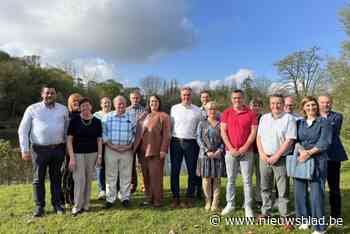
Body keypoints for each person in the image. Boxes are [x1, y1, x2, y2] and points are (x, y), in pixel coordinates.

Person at [18, 86, 69, 217]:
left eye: (52, 93)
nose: (49, 95)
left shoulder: (63, 109)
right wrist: (24, 150)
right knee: (38, 179)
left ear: (56, 95)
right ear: (42, 94)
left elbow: (67, 130)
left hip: (58, 149)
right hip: (39, 150)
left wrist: (67, 148)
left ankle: (57, 204)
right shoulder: (32, 109)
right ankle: (39, 206)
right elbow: (23, 130)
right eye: (47, 93)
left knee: (56, 178)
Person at [256, 94, 296, 228]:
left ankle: (285, 216)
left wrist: (276, 156)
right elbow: (259, 137)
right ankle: (266, 212)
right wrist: (262, 154)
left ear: (283, 104)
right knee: (265, 187)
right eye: (273, 103)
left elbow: (289, 140)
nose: (275, 106)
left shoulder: (289, 118)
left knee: (282, 189)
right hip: (264, 158)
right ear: (269, 104)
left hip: (281, 158)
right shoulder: (264, 118)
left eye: (278, 103)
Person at [294, 96, 332, 233]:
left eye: (313, 105)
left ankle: (320, 228)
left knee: (316, 195)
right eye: (308, 105)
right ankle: (304, 219)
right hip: (301, 160)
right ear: (303, 108)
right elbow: (296, 140)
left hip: (317, 161)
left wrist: (309, 152)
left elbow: (325, 142)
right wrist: (302, 151)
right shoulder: (299, 123)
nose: (311, 108)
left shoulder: (324, 122)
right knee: (299, 192)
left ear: (317, 106)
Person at [220, 89, 257, 218]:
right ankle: (230, 204)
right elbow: (223, 132)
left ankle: (247, 206)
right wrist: (230, 148)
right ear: (231, 99)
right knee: (231, 179)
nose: (237, 100)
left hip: (247, 152)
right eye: (235, 98)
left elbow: (253, 132)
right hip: (230, 152)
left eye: (240, 98)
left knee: (247, 180)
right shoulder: (226, 113)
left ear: (243, 98)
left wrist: (245, 147)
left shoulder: (251, 114)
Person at [67, 98, 103, 216]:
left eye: (87, 106)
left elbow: (99, 140)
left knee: (88, 180)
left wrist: (99, 156)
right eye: (83, 106)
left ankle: (86, 204)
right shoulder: (74, 121)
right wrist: (71, 157)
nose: (85, 108)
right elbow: (69, 140)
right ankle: (77, 206)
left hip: (92, 154)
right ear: (80, 108)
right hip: (77, 154)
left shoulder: (97, 121)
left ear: (91, 107)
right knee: (79, 180)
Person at [134, 95, 171, 207]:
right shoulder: (144, 116)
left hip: (156, 151)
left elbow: (167, 135)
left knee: (156, 177)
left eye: (155, 101)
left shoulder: (163, 116)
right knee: (146, 177)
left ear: (159, 103)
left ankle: (158, 200)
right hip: (142, 151)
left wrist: (163, 149)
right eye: (151, 101)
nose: (153, 103)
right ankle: (148, 198)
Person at [170, 87, 202, 208]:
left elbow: (199, 128)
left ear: (191, 96)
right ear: (180, 95)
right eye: (184, 95)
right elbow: (171, 126)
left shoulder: (197, 110)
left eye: (188, 95)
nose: (186, 97)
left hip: (191, 142)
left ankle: (190, 197)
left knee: (191, 171)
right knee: (175, 170)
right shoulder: (174, 108)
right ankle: (176, 197)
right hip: (176, 141)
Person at [103, 96, 136, 209]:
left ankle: (125, 197)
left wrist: (129, 145)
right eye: (119, 104)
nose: (121, 106)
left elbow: (135, 133)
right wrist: (112, 145)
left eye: (123, 104)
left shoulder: (131, 117)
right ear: (114, 105)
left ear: (126, 104)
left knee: (126, 175)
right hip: (111, 150)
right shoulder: (107, 117)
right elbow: (103, 133)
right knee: (111, 175)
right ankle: (110, 199)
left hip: (127, 150)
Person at [318, 95, 348, 220]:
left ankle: (336, 216)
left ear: (332, 103)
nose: (326, 105)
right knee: (318, 187)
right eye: (323, 102)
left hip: (333, 157)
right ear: (318, 103)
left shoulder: (337, 116)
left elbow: (331, 132)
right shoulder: (313, 116)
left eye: (328, 102)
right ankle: (317, 214)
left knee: (334, 188)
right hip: (318, 157)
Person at [196, 101, 226, 212]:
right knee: (206, 179)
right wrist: (206, 150)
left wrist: (220, 150)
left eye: (214, 108)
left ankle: (215, 202)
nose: (212, 111)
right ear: (206, 111)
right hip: (205, 155)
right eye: (210, 109)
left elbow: (224, 139)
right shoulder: (201, 123)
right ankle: (208, 200)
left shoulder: (221, 123)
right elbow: (198, 138)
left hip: (218, 155)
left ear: (217, 110)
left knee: (217, 179)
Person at [62, 93, 82, 207]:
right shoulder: (67, 116)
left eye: (79, 101)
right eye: (74, 101)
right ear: (70, 103)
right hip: (68, 149)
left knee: (79, 175)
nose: (76, 103)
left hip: (81, 149)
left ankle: (77, 196)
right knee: (67, 174)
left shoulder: (84, 115)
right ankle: (67, 198)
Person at [126, 90, 146, 193]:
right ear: (130, 99)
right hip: (130, 141)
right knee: (131, 164)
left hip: (142, 141)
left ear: (140, 98)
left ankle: (144, 185)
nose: (135, 100)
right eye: (133, 98)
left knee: (142, 164)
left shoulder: (145, 111)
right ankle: (132, 186)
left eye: (137, 98)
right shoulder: (125, 111)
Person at [93, 97, 112, 200]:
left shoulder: (114, 114)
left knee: (111, 168)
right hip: (99, 144)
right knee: (99, 167)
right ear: (101, 104)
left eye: (108, 103)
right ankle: (102, 190)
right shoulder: (96, 115)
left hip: (111, 145)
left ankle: (112, 189)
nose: (106, 104)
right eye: (104, 103)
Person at [249, 98, 263, 208]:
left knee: (260, 176)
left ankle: (259, 199)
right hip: (248, 151)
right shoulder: (247, 117)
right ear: (250, 106)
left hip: (260, 151)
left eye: (258, 105)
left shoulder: (265, 119)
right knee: (247, 176)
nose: (256, 107)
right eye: (254, 105)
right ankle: (248, 199)